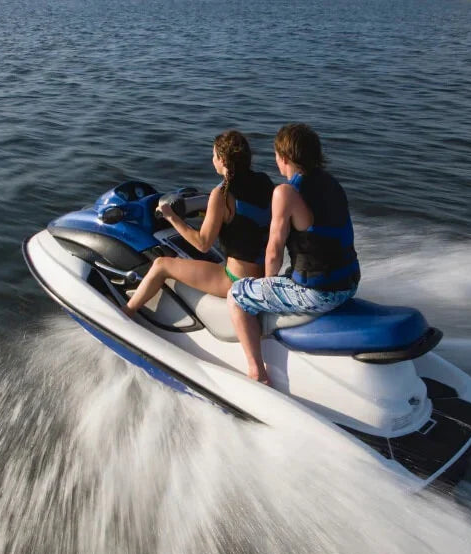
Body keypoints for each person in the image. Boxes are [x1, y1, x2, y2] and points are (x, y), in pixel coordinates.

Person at [227, 123, 360, 384]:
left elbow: (274, 251)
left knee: (237, 295)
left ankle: (257, 372)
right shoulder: (332, 184)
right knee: (287, 276)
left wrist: (263, 287)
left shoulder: (285, 192)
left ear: (284, 158)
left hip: (319, 293)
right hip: (350, 283)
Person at [123, 130, 275, 318]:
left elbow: (202, 244)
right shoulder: (264, 182)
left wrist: (171, 216)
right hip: (262, 275)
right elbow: (245, 216)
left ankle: (125, 314)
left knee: (161, 265)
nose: (212, 160)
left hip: (236, 279)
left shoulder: (221, 194)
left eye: (214, 155)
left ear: (222, 160)